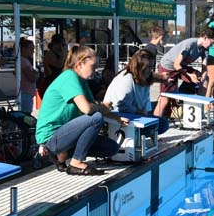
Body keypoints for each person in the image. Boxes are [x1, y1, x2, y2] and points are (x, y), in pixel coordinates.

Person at [35, 45, 128, 176]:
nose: (96, 71)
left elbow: (95, 105)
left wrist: (117, 118)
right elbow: (87, 109)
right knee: (95, 118)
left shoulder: (82, 81)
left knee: (111, 148)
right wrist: (103, 106)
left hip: (66, 134)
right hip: (51, 138)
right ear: (79, 65)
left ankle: (64, 154)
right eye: (93, 67)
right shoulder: (69, 77)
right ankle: (75, 163)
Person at [155, 29, 214, 117]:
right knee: (165, 98)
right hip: (168, 67)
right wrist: (189, 75)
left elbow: (204, 67)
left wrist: (202, 80)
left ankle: (199, 111)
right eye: (212, 42)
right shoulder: (189, 44)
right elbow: (176, 65)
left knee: (203, 78)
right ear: (205, 38)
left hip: (180, 67)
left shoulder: (205, 49)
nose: (212, 45)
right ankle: (156, 121)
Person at [104, 49, 158, 126]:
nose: (151, 70)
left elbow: (146, 103)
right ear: (139, 66)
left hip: (136, 114)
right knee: (158, 124)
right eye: (148, 67)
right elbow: (123, 106)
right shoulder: (126, 79)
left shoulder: (146, 78)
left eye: (152, 66)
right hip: (120, 117)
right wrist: (141, 113)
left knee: (161, 122)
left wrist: (146, 113)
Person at [19, 38, 39, 113]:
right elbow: (32, 77)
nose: (33, 52)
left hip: (27, 92)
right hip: (25, 93)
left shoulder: (25, 61)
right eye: (31, 49)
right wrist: (36, 74)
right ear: (24, 49)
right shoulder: (23, 61)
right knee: (26, 115)